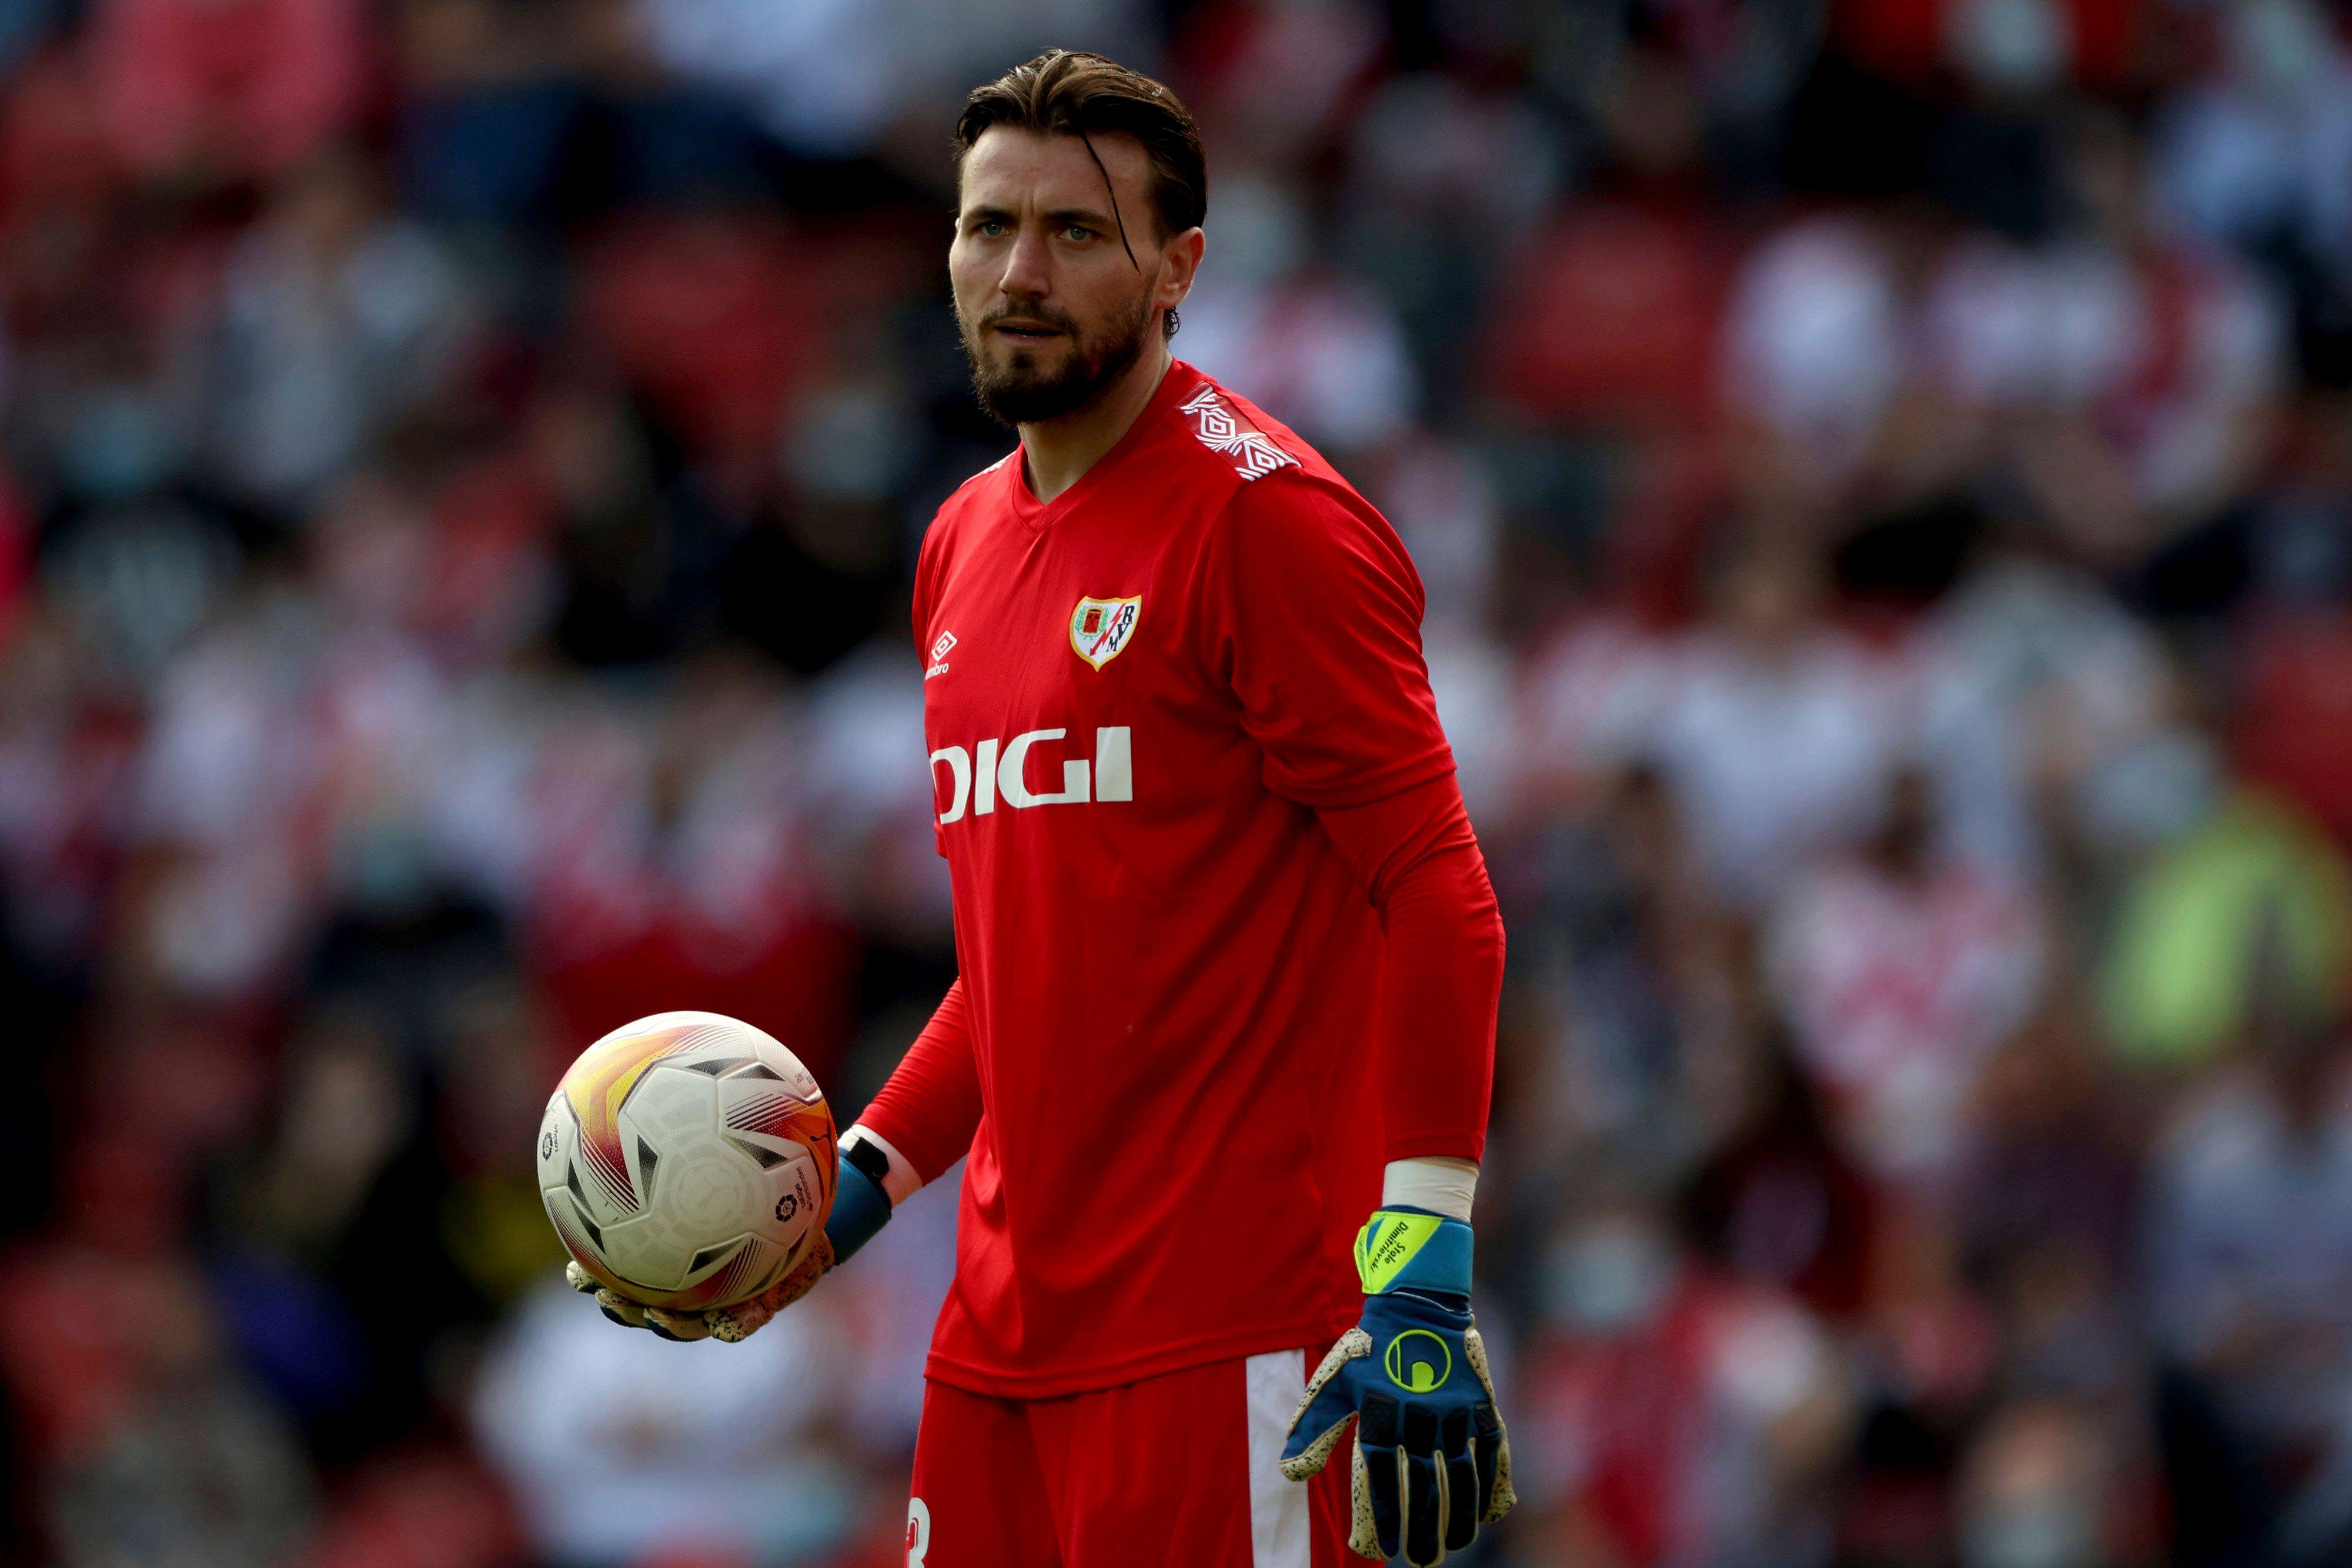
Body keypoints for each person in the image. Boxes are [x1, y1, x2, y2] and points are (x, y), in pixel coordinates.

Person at [572, 49, 1513, 1568]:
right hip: (998, 1346)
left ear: (1175, 269)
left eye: (1075, 232)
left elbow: (1438, 893)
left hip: (1236, 1333)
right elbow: (1023, 964)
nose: (1018, 269)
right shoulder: (958, 544)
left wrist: (1421, 1275)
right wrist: (852, 1193)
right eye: (986, 226)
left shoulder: (1270, 525)